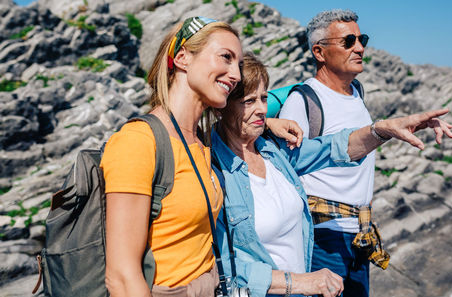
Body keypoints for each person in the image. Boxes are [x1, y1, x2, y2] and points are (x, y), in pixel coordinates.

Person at [213, 53, 452, 297]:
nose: (261, 109)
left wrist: (383, 129)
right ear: (221, 105)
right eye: (248, 101)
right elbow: (220, 265)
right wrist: (298, 283)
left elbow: (331, 148)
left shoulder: (273, 152)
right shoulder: (211, 170)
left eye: (264, 99)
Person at [100, 17, 301, 297]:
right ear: (182, 58)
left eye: (238, 65)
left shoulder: (199, 141)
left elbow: (259, 106)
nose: (236, 75)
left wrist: (267, 124)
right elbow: (121, 277)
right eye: (225, 58)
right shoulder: (138, 142)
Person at [278, 9, 452, 297]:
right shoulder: (303, 101)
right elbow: (287, 167)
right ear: (319, 52)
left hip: (360, 236)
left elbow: (361, 142)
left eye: (362, 39)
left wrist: (410, 126)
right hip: (322, 240)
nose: (359, 47)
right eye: (348, 41)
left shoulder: (356, 92)